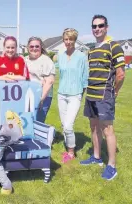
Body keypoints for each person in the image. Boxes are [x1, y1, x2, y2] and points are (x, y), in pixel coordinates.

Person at [80, 15, 125, 181]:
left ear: (107, 27)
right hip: (91, 95)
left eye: (100, 25)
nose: (97, 29)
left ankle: (111, 166)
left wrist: (115, 91)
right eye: (94, 26)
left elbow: (120, 74)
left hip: (104, 95)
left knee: (107, 130)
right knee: (93, 127)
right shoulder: (91, 49)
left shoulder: (114, 46)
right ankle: (97, 157)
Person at [55, 28, 88, 163]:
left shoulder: (81, 56)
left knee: (69, 125)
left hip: (75, 95)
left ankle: (71, 152)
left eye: (71, 39)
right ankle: (68, 147)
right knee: (64, 125)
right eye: (66, 39)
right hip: (61, 94)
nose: (68, 42)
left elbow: (85, 78)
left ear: (75, 40)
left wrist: (81, 94)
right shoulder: (60, 56)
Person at [25, 36, 55, 122]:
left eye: (37, 46)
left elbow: (50, 81)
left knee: (37, 122)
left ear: (41, 47)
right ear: (28, 47)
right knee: (26, 122)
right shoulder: (24, 60)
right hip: (27, 95)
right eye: (31, 46)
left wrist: (41, 99)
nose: (34, 48)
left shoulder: (46, 60)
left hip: (42, 97)